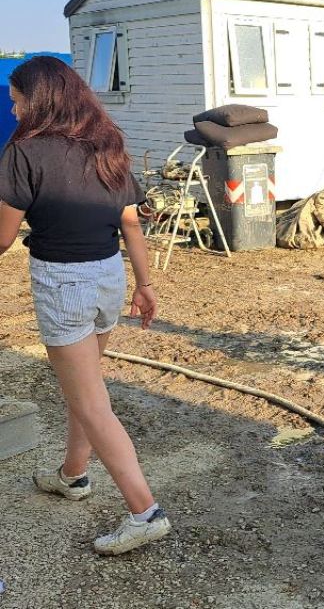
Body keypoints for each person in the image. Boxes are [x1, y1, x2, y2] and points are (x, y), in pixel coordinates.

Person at [0, 56, 171, 555]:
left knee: (93, 403)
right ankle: (73, 474)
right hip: (108, 275)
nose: (14, 109)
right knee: (87, 384)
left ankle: (145, 512)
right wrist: (145, 283)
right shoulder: (107, 145)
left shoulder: (24, 152)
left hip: (63, 282)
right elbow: (131, 224)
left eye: (17, 100)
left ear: (40, 99)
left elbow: (4, 238)